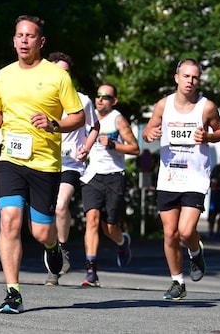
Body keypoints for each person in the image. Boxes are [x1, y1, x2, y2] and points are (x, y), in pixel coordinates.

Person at [0, 15, 84, 314]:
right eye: (20, 35)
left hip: (45, 164)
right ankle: (13, 292)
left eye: (30, 36)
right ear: (13, 40)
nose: (24, 40)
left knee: (40, 232)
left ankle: (52, 247)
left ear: (41, 41)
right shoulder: (3, 75)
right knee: (9, 220)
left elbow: (77, 116)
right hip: (11, 158)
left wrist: (53, 123)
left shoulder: (57, 76)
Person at [141, 58, 220, 300]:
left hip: (195, 176)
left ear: (199, 80)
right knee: (170, 234)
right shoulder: (163, 105)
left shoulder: (206, 107)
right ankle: (177, 282)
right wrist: (150, 134)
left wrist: (208, 138)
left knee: (186, 230)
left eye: (195, 77)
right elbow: (147, 131)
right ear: (176, 77)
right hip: (169, 176)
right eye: (186, 76)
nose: (190, 81)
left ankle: (195, 251)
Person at [43, 51, 99, 286]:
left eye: (66, 72)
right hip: (44, 161)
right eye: (58, 71)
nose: (62, 75)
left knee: (61, 205)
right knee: (43, 216)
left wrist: (85, 147)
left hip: (71, 163)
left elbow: (94, 126)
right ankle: (54, 262)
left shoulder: (82, 100)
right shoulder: (42, 98)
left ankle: (63, 249)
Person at [79, 82, 137, 287]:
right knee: (92, 220)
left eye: (106, 96)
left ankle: (122, 242)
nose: (100, 99)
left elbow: (135, 148)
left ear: (114, 101)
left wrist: (113, 144)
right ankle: (91, 271)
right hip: (92, 176)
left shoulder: (117, 120)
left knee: (109, 228)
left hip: (114, 176)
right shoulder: (88, 117)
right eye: (98, 95)